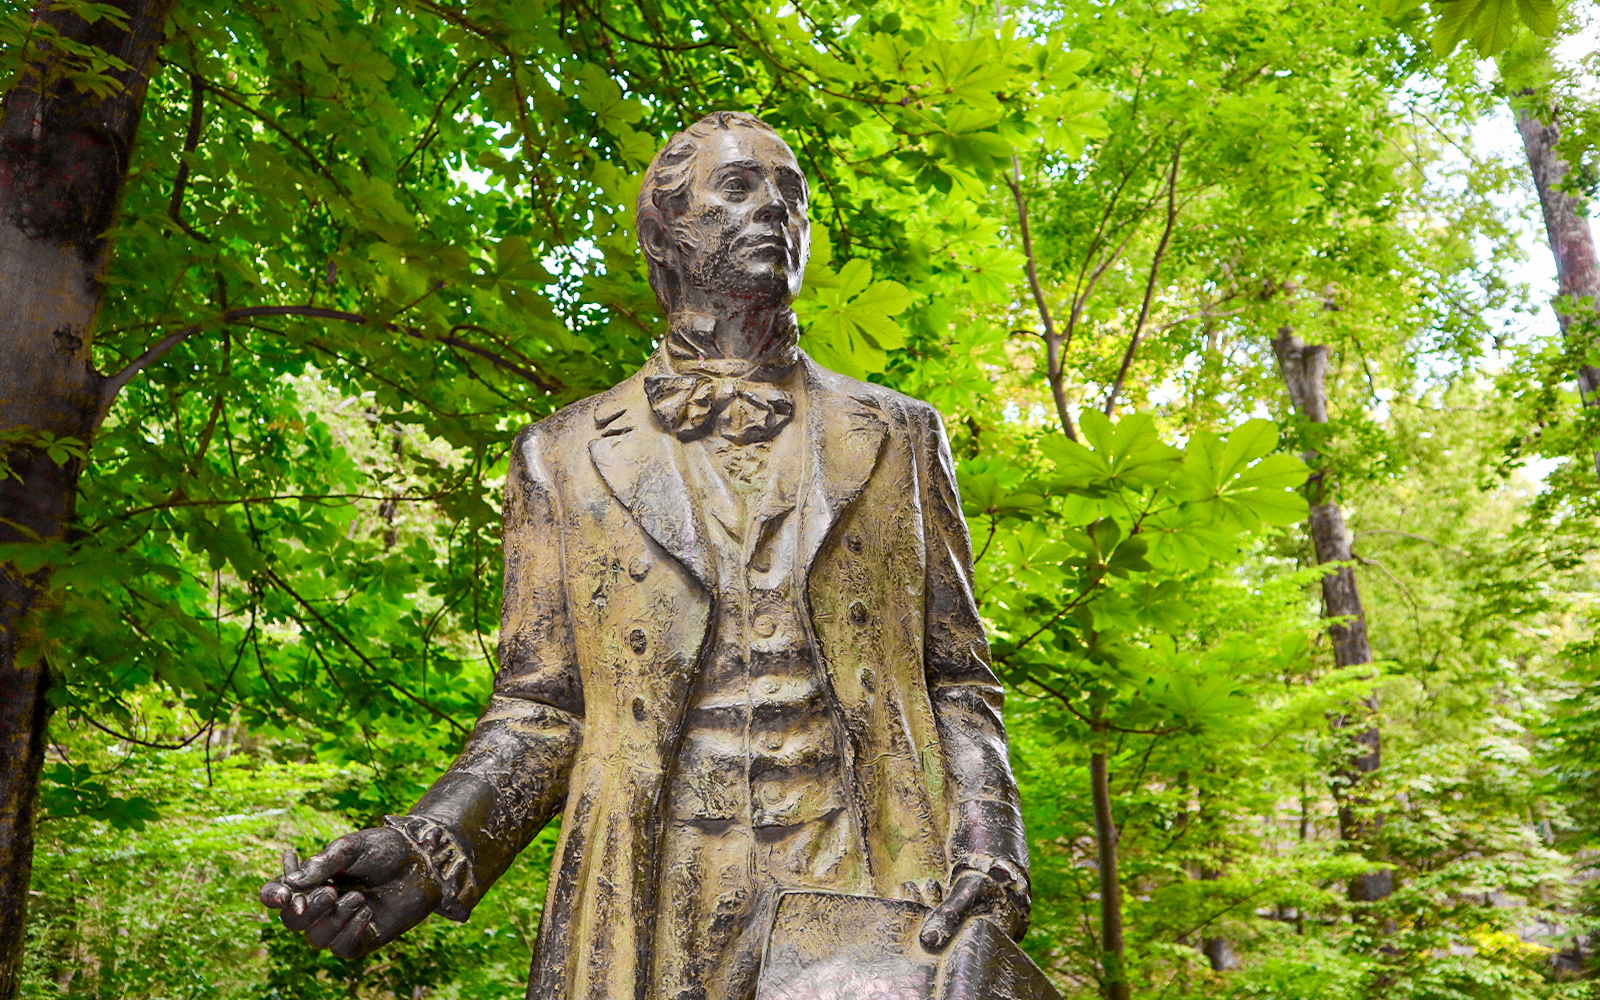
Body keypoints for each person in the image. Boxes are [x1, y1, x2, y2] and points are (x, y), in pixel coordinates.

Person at [261, 110, 1031, 1000]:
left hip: (872, 875)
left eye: (790, 194)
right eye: (737, 187)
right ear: (664, 234)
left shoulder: (899, 434)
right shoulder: (561, 455)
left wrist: (992, 851)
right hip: (654, 888)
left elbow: (958, 680)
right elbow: (540, 710)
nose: (773, 208)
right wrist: (431, 847)